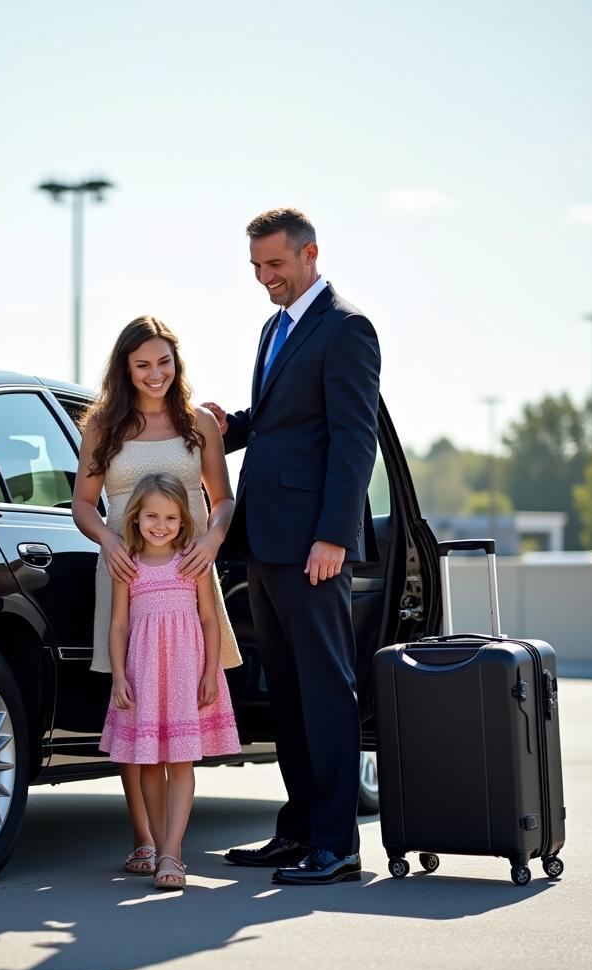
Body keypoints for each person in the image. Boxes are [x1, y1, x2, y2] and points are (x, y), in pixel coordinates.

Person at [205, 207, 380, 885]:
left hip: (313, 543)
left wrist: (333, 535)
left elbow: (352, 438)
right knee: (287, 696)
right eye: (256, 268)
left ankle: (337, 845)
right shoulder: (274, 327)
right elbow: (283, 423)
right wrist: (230, 426)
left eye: (274, 265)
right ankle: (300, 829)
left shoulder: (346, 327)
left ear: (311, 254)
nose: (265, 279)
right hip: (266, 539)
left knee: (325, 691)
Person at [72, 315, 242, 878]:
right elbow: (83, 505)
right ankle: (144, 840)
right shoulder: (102, 425)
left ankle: (168, 845)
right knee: (133, 708)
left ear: (177, 363)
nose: (154, 374)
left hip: (190, 569)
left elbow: (221, 499)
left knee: (176, 706)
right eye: (142, 364)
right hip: (125, 572)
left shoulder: (199, 425)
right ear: (125, 367)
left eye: (163, 362)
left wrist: (213, 540)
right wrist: (107, 541)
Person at [99, 473, 241, 888]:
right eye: (151, 516)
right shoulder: (128, 564)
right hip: (144, 673)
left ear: (183, 522)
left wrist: (210, 672)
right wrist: (118, 677)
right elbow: (119, 626)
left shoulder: (191, 562)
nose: (160, 525)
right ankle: (160, 846)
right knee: (148, 761)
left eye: (171, 518)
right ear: (136, 517)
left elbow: (210, 620)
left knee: (180, 761)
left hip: (185, 672)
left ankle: (172, 853)